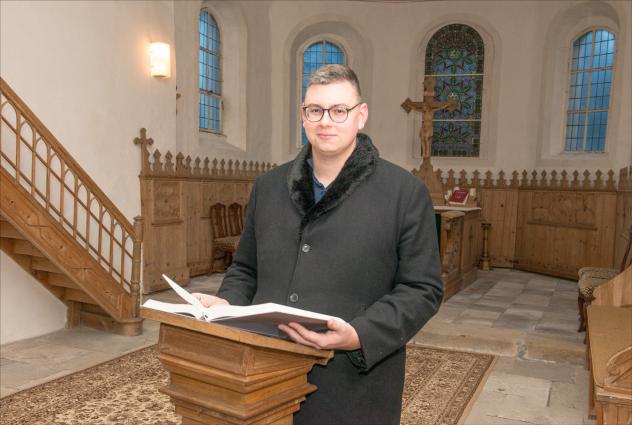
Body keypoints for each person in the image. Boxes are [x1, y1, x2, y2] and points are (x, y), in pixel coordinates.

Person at [194, 64, 443, 425]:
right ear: (303, 116)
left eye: (339, 110)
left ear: (361, 115)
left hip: (353, 383)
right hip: (267, 370)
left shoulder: (404, 193)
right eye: (316, 110)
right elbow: (246, 268)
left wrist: (360, 334)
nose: (326, 121)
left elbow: (422, 289)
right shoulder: (268, 187)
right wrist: (227, 301)